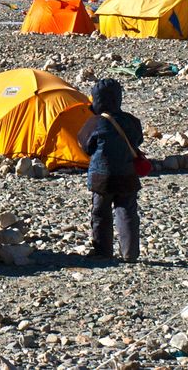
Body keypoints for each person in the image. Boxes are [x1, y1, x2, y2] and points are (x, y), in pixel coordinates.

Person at [77, 78, 144, 261]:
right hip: (127, 175)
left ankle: (103, 251)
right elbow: (138, 141)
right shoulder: (131, 121)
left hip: (102, 177)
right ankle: (130, 253)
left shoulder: (95, 122)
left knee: (100, 213)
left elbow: (85, 145)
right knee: (127, 212)